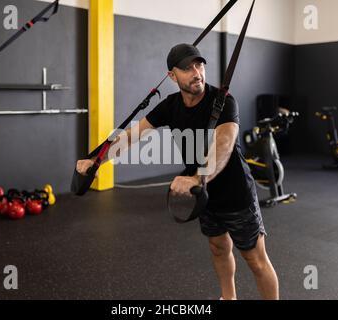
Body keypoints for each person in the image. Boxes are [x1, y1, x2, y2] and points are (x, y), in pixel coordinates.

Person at [76, 43, 279, 300]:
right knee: (218, 247)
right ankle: (229, 298)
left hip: (234, 192)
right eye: (187, 68)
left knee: (256, 259)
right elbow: (129, 137)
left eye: (199, 64)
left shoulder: (224, 101)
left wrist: (198, 177)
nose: (197, 72)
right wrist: (97, 160)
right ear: (172, 76)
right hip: (204, 195)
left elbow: (224, 145)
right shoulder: (170, 106)